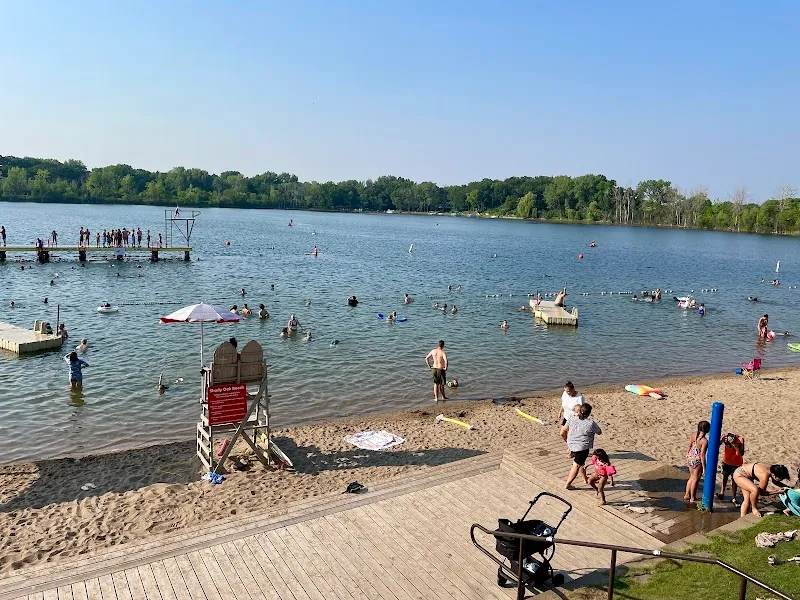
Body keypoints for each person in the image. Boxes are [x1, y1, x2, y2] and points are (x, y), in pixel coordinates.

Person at [561, 403, 602, 489]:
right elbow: (599, 432)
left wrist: (567, 440)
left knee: (580, 463)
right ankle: (568, 484)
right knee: (576, 465)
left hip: (571, 445)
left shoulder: (572, 419)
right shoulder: (590, 423)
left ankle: (585, 479)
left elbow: (563, 430)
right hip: (582, 447)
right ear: (589, 413)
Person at [684, 420, 710, 503]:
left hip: (690, 457)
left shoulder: (693, 435)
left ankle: (687, 494)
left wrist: (687, 454)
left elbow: (689, 445)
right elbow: (702, 455)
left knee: (691, 477)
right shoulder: (704, 441)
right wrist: (704, 467)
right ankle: (692, 497)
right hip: (697, 460)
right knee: (696, 478)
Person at [716, 433, 745, 505]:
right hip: (726, 462)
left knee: (734, 480)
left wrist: (734, 444)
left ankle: (734, 497)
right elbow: (717, 445)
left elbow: (741, 453)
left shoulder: (740, 439)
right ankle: (722, 492)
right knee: (724, 477)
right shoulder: (726, 438)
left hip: (736, 463)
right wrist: (721, 440)